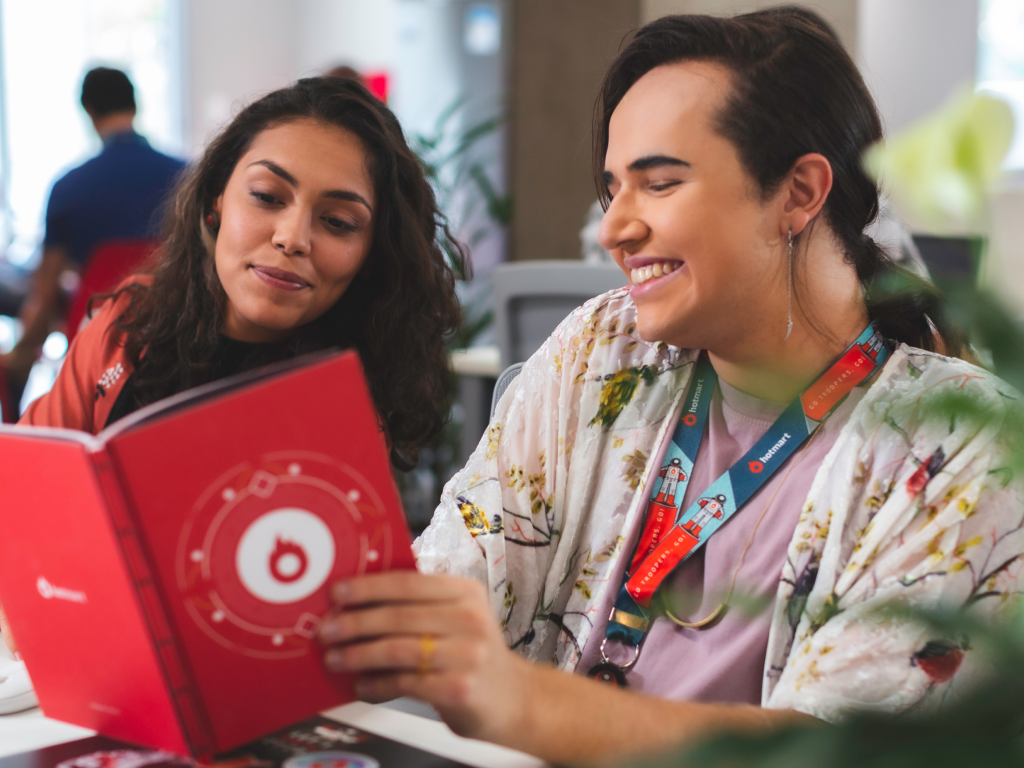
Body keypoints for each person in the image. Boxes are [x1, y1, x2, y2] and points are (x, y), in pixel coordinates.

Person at [315, 8, 1024, 765]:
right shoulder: (603, 350)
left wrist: (522, 700)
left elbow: (836, 749)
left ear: (799, 192)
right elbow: (466, 561)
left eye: (658, 183)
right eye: (613, 186)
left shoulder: (960, 442)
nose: (614, 226)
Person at [0, 76, 464, 658]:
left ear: (370, 257)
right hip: (81, 655)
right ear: (218, 197)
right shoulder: (127, 324)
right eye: (268, 197)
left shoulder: (345, 405)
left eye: (338, 223)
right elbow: (22, 488)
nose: (293, 238)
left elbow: (318, 626)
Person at [0, 67, 185, 404]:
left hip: (95, 349)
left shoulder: (68, 188)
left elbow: (44, 296)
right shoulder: (186, 175)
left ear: (89, 111)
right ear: (135, 106)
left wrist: (17, 359)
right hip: (178, 340)